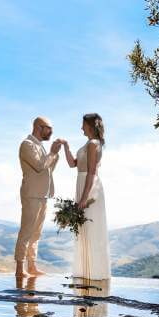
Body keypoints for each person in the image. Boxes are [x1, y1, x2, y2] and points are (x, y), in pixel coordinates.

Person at [62, 113, 111, 280]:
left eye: (83, 124)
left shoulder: (93, 144)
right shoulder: (88, 143)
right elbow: (72, 164)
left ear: (90, 126)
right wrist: (66, 147)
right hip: (82, 184)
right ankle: (86, 272)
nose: (81, 127)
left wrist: (84, 198)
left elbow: (91, 172)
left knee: (91, 228)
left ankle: (95, 273)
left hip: (89, 187)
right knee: (84, 230)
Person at [15, 116, 65, 278]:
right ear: (38, 127)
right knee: (26, 231)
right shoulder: (27, 145)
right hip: (31, 194)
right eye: (48, 128)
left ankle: (32, 266)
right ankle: (19, 269)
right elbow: (39, 166)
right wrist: (52, 152)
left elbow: (48, 170)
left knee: (36, 233)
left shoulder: (40, 146)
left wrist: (54, 155)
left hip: (43, 195)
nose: (51, 131)